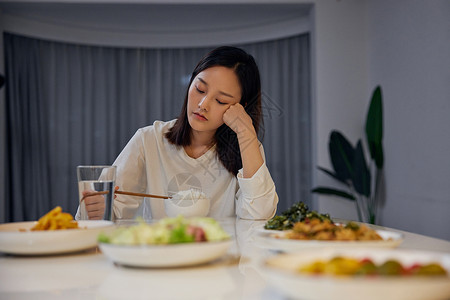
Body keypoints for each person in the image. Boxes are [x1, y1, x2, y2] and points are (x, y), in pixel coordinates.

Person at [76, 46, 278, 220]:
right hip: (159, 259)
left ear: (239, 109)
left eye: (221, 101)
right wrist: (99, 209)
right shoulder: (149, 139)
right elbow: (108, 207)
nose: (202, 104)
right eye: (200, 89)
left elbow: (259, 216)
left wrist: (246, 133)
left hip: (222, 262)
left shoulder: (247, 149)